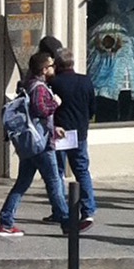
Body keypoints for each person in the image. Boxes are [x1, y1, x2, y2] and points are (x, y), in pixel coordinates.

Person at [0, 51, 68, 237]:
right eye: (51, 65)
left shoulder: (29, 85)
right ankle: (67, 221)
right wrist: (55, 103)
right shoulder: (39, 88)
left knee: (22, 184)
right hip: (42, 146)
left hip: (33, 143)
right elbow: (40, 110)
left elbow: (33, 118)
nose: (54, 68)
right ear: (44, 69)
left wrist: (54, 129)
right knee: (54, 183)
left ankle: (6, 222)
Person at [50, 49, 97, 229]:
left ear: (58, 64)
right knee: (82, 171)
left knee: (57, 173)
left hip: (60, 132)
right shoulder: (85, 81)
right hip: (80, 132)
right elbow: (92, 107)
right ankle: (88, 210)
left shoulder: (54, 82)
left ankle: (61, 211)